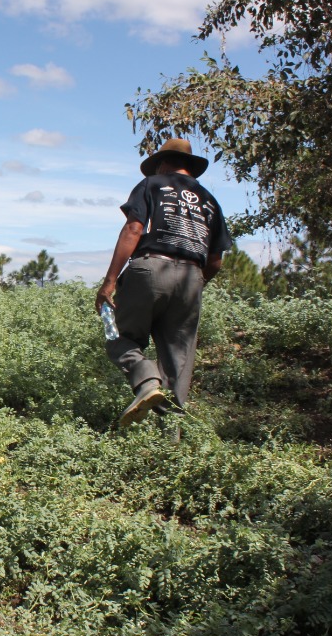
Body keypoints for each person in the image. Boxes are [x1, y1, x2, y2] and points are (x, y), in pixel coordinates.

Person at [94, 138, 232, 427]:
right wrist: (193, 284)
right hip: (191, 276)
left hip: (149, 269)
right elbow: (216, 260)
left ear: (162, 162)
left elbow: (134, 229)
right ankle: (171, 442)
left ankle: (146, 381)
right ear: (190, 167)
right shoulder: (210, 201)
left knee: (122, 338)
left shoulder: (152, 185)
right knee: (177, 360)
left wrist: (108, 283)